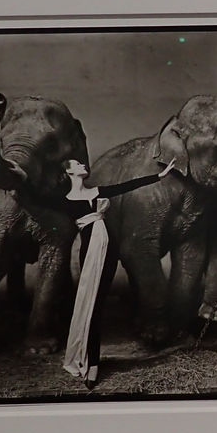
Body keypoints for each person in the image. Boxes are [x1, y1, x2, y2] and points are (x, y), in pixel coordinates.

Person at [61, 156, 175, 388]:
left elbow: (128, 186)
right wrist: (18, 179)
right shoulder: (65, 200)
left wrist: (159, 176)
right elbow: (36, 198)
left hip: (109, 251)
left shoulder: (96, 192)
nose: (83, 165)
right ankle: (91, 364)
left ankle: (92, 360)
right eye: (77, 164)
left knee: (99, 304)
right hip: (90, 253)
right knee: (91, 307)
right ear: (69, 172)